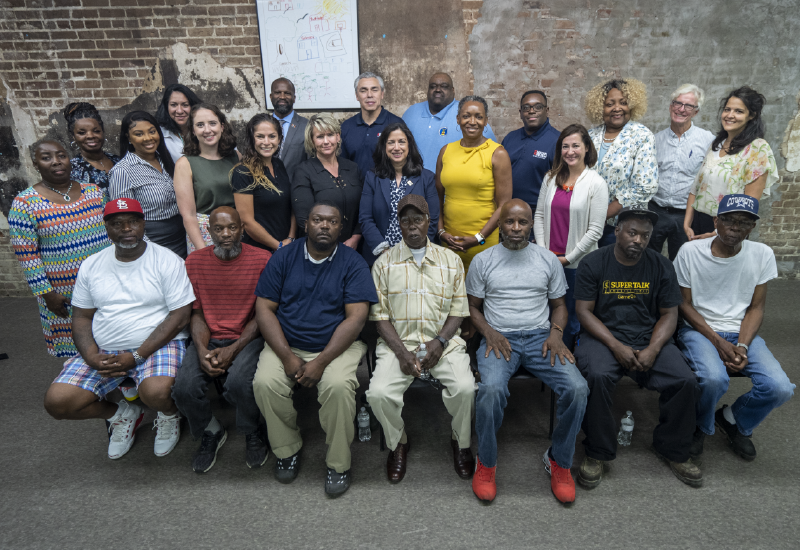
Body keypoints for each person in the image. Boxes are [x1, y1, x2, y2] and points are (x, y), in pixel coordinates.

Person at [42, 198, 194, 460]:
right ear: (107, 228)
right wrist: (91, 356)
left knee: (155, 392)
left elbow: (180, 316)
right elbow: (81, 317)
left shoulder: (167, 261)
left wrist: (137, 356)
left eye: (133, 221)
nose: (127, 229)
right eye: (118, 223)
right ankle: (121, 415)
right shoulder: (92, 265)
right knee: (58, 402)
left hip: (157, 344)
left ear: (143, 223)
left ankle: (169, 414)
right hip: (105, 349)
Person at [252, 202, 377, 496]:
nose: (324, 226)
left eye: (332, 222)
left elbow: (356, 319)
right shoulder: (283, 257)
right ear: (306, 224)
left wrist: (320, 362)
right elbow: (264, 310)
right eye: (318, 220)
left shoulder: (353, 262)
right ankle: (287, 449)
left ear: (341, 228)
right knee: (265, 382)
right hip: (287, 342)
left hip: (336, 347)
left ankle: (338, 463)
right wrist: (286, 356)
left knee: (337, 385)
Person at [467, 199, 588, 505]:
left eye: (523, 223)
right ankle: (487, 462)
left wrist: (557, 334)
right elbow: (471, 307)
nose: (516, 229)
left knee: (577, 388)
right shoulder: (483, 260)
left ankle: (559, 461)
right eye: (510, 222)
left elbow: (560, 306)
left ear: (531, 225)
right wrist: (489, 333)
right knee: (491, 390)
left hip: (540, 338)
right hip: (499, 337)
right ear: (500, 224)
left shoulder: (547, 260)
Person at [574, 206, 702, 489]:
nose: (639, 240)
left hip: (648, 337)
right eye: (632, 233)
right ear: (617, 231)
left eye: (645, 236)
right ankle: (598, 452)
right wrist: (616, 345)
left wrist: (654, 348)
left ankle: (673, 449)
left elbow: (670, 314)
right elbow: (584, 312)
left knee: (685, 381)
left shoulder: (661, 265)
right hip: (603, 337)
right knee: (595, 376)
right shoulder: (594, 263)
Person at [676, 194, 794, 464]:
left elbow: (756, 308)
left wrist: (741, 344)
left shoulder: (762, 254)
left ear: (752, 227)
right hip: (699, 330)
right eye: (728, 219)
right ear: (716, 220)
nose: (734, 227)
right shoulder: (690, 252)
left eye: (743, 222)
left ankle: (733, 419)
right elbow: (684, 305)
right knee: (714, 378)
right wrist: (718, 342)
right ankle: (700, 427)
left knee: (780, 387)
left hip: (741, 331)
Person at [365, 194, 475, 483]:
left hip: (443, 343)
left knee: (465, 388)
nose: (412, 226)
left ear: (429, 222)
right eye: (405, 220)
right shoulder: (384, 264)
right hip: (398, 345)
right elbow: (380, 317)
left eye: (418, 220)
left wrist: (439, 342)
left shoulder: (451, 261)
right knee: (377, 393)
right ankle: (398, 442)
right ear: (398, 224)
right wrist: (402, 353)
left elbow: (458, 311)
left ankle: (460, 442)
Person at [172, 207, 273, 473]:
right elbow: (196, 313)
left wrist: (234, 348)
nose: (226, 234)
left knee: (239, 383)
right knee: (183, 389)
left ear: (242, 229)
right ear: (210, 231)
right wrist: (203, 349)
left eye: (232, 228)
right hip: (208, 337)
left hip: (248, 337)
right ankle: (210, 430)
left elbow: (263, 314)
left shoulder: (262, 259)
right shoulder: (194, 262)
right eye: (219, 229)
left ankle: (252, 430)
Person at [9, 140, 112, 358]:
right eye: (46, 158)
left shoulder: (93, 192)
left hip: (105, 280)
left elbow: (111, 234)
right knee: (77, 346)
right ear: (36, 164)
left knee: (110, 335)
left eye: (61, 155)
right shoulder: (25, 203)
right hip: (62, 291)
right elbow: (27, 255)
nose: (56, 161)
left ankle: (116, 385)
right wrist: (47, 293)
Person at [534, 124, 608, 349]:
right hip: (547, 260)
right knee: (546, 314)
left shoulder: (596, 183)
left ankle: (568, 364)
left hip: (577, 265)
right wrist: (543, 252)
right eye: (565, 146)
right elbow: (538, 215)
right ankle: (545, 363)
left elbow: (596, 230)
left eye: (576, 145)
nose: (570, 151)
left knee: (573, 319)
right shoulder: (550, 178)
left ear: (586, 148)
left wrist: (567, 259)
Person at [684, 86, 778, 240]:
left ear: (752, 115)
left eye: (739, 111)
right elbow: (696, 187)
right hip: (698, 223)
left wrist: (716, 233)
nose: (730, 115)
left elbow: (749, 205)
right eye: (727, 109)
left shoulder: (758, 149)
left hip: (729, 228)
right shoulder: (717, 144)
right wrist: (687, 224)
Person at [436, 95, 512, 273]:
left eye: (478, 116)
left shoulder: (498, 153)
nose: (472, 121)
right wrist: (441, 233)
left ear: (486, 121)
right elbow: (437, 197)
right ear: (458, 119)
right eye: (466, 116)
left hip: (483, 242)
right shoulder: (446, 151)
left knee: (481, 295)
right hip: (449, 241)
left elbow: (504, 205)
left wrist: (479, 237)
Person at [585, 79, 658, 247]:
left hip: (623, 226)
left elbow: (644, 186)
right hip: (587, 222)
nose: (617, 108)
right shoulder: (590, 136)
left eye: (623, 103)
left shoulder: (642, 136)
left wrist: (603, 215)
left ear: (631, 105)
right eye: (610, 104)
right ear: (600, 108)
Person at [648, 85, 715, 260]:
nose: (681, 109)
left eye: (688, 106)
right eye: (677, 103)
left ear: (696, 112)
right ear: (671, 106)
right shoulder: (655, 140)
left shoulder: (708, 140)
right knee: (648, 260)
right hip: (656, 211)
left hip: (686, 215)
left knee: (681, 262)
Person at [359, 122, 439, 266]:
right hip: (380, 257)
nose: (397, 147)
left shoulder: (426, 178)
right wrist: (384, 250)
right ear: (384, 147)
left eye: (401, 142)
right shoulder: (372, 177)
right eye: (391, 143)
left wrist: (416, 250)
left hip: (418, 256)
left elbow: (432, 220)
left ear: (409, 146)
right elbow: (365, 218)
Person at [109, 110, 187, 258]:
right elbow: (124, 219)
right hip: (152, 241)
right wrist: (147, 251)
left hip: (181, 236)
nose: (148, 138)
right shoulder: (122, 171)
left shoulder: (166, 160)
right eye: (139, 134)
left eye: (152, 131)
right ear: (128, 138)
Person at [174, 103, 241, 253]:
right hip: (204, 234)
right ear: (193, 130)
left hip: (235, 231)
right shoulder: (185, 164)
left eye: (212, 123)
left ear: (222, 126)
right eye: (200, 125)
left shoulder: (236, 157)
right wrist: (202, 251)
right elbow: (188, 215)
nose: (207, 130)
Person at [402, 72, 496, 172]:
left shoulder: (465, 113)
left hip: (452, 183)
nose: (438, 90)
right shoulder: (411, 112)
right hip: (413, 182)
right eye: (433, 86)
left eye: (444, 86)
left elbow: (491, 153)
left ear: (453, 90)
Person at [292, 114, 363, 247]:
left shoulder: (352, 168)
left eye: (330, 135)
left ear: (338, 136)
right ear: (312, 141)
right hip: (321, 247)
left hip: (355, 246)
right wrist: (332, 245)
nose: (326, 141)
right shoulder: (303, 171)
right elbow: (304, 218)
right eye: (319, 137)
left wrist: (356, 237)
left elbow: (365, 207)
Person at [231, 113, 296, 252]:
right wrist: (278, 246)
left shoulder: (278, 164)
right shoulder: (243, 172)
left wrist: (290, 239)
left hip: (285, 246)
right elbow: (247, 222)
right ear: (251, 139)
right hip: (259, 251)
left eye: (272, 136)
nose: (266, 142)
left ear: (279, 139)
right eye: (260, 136)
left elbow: (289, 206)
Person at [502, 90, 561, 216]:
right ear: (520, 113)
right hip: (507, 210)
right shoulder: (510, 138)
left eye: (538, 107)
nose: (531, 111)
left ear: (547, 110)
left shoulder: (558, 141)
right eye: (526, 107)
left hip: (539, 214)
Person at [340, 72, 403, 178]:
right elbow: (341, 164)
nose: (369, 95)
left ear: (382, 94)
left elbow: (405, 164)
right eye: (363, 90)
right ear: (357, 96)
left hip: (386, 191)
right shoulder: (346, 127)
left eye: (374, 90)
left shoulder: (397, 125)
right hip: (355, 192)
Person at [63, 102, 121, 199]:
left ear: (103, 132)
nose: (90, 136)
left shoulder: (119, 161)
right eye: (82, 133)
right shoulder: (71, 170)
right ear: (73, 137)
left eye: (96, 131)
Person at [270, 77, 309, 181]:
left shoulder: (307, 126)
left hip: (295, 191)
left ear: (294, 98)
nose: (282, 97)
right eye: (277, 92)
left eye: (287, 93)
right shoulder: (260, 125)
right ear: (271, 96)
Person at [155, 84, 202, 163]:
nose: (179, 111)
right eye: (173, 105)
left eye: (185, 105)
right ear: (166, 107)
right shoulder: (159, 134)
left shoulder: (204, 130)